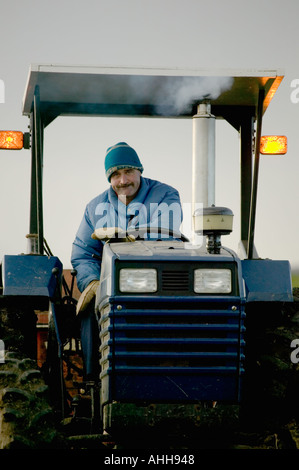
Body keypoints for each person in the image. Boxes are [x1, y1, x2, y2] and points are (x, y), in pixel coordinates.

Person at [71, 142, 183, 382]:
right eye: (115, 174)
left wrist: (127, 237)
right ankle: (95, 381)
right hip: (110, 285)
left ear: (140, 170)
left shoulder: (165, 195)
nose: (122, 180)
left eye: (128, 171)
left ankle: (171, 376)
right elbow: (82, 252)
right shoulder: (94, 208)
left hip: (155, 282)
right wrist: (91, 281)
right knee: (92, 309)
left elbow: (165, 234)